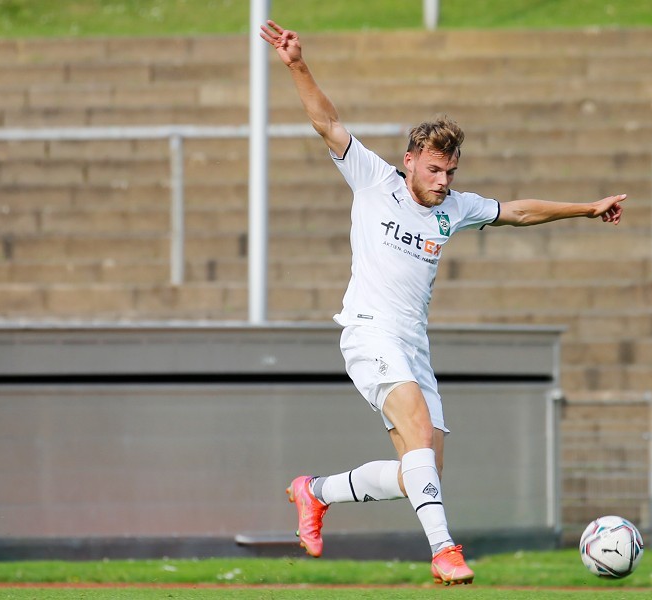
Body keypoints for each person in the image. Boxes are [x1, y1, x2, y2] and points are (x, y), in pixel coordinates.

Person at [260, 20, 625, 586]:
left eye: (450, 171)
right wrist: (297, 65)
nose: (442, 179)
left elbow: (519, 211)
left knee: (420, 471)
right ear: (409, 159)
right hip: (368, 331)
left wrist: (586, 207)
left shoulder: (454, 207)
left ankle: (316, 491)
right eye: (433, 168)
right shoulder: (373, 180)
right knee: (417, 431)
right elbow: (326, 122)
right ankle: (444, 552)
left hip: (412, 344)